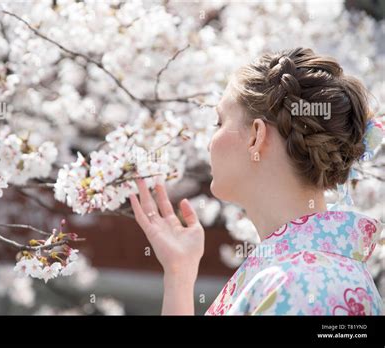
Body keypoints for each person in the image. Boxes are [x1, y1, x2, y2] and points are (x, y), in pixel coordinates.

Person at [129, 47, 383, 315]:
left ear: (256, 136)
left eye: (219, 122)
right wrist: (179, 276)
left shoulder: (304, 284)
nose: (208, 144)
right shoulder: (304, 274)